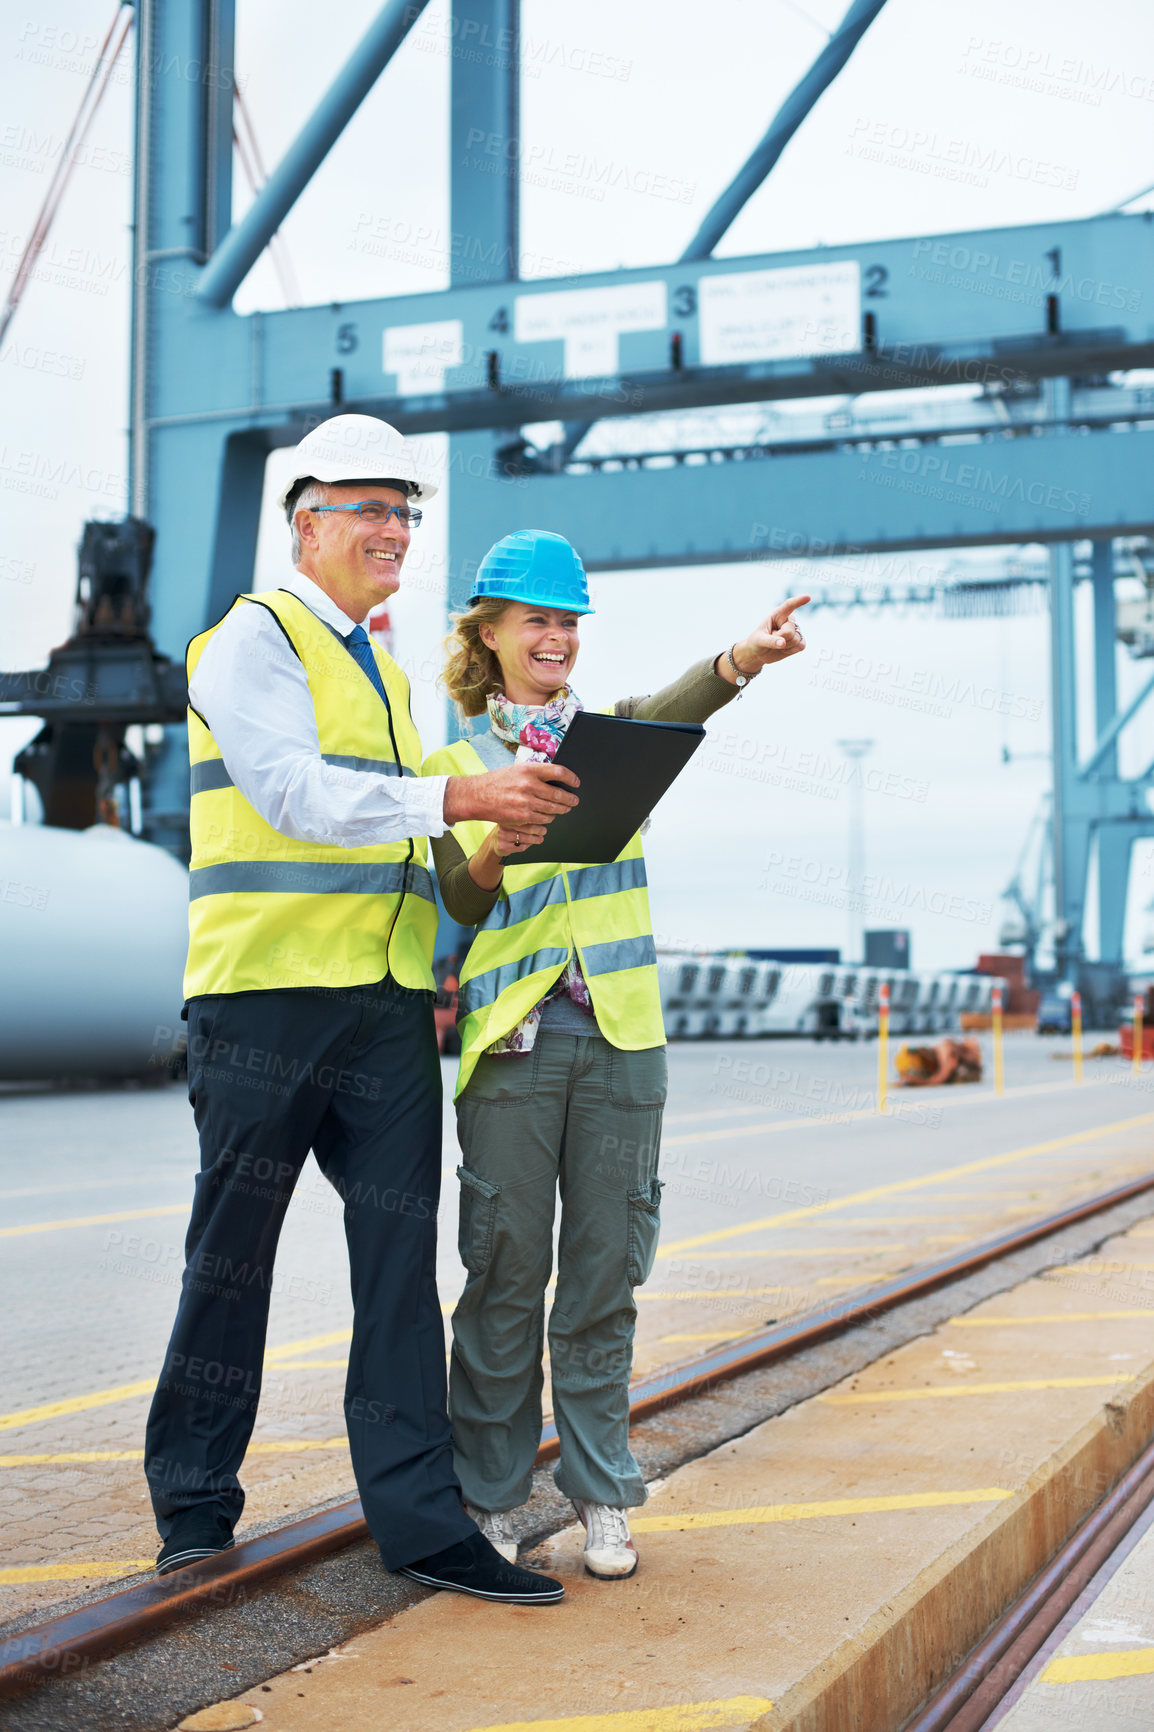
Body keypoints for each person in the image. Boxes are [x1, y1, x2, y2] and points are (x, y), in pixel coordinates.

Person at [144, 417, 579, 1606]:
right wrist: (458, 791)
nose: (394, 530)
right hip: (264, 1001)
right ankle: (192, 1508)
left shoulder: (383, 672)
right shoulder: (248, 640)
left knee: (396, 1267)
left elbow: (405, 828)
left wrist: (491, 828)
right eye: (370, 508)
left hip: (384, 1006)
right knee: (230, 1260)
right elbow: (292, 794)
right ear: (307, 522)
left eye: (406, 510)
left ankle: (423, 1524)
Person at [423, 530, 808, 1579]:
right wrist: (495, 841)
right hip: (512, 1049)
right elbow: (456, 901)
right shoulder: (452, 766)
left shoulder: (614, 735)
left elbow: (685, 701)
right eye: (536, 619)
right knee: (503, 1276)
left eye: (567, 620)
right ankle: (493, 1497)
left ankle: (600, 1493)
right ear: (489, 634)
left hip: (619, 1041)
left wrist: (743, 657)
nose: (555, 636)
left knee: (603, 1280)